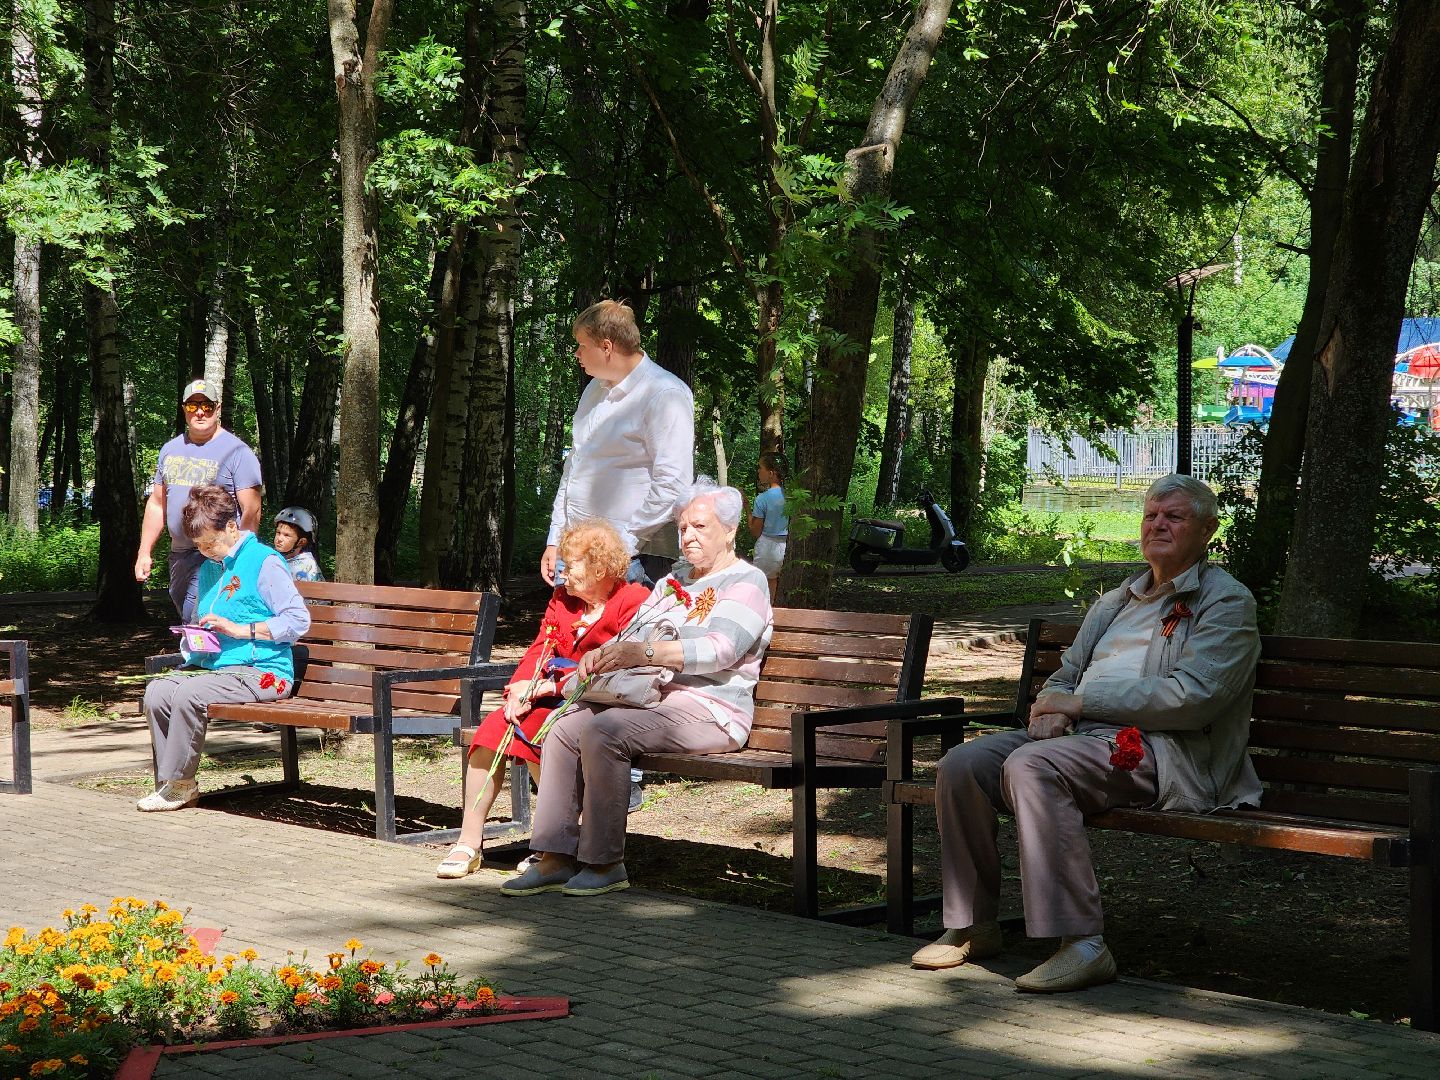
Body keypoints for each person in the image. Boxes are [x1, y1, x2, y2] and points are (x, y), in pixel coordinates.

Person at [912, 473, 1260, 992]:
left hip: (1163, 750)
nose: (1158, 524)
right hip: (1079, 737)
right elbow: (1066, 674)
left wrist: (1080, 703)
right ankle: (971, 924)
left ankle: (1082, 943)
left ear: (1207, 530)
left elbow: (1194, 698)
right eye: (1151, 515)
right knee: (963, 765)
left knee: (1031, 766)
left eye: (1174, 516)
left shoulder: (1225, 602)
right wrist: (1050, 711)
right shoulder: (1118, 600)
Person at [502, 478, 773, 898]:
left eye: (700, 527)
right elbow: (631, 634)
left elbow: (721, 649)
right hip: (654, 700)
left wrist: (644, 653)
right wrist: (597, 659)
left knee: (604, 731)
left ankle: (604, 862)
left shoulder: (746, 582)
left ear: (731, 530)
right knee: (565, 725)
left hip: (712, 709)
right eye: (683, 528)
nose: (688, 537)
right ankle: (554, 856)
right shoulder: (673, 582)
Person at [542, 299, 695, 809]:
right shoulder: (593, 391)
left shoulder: (666, 394)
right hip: (579, 553)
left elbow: (672, 484)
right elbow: (575, 469)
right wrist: (555, 537)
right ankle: (571, 774)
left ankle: (618, 784)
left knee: (618, 667)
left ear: (606, 345)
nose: (578, 357)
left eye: (582, 347)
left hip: (633, 556)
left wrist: (621, 546)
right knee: (573, 656)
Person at [436, 520, 649, 879]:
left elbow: (616, 666)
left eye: (572, 564)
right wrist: (518, 689)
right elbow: (540, 648)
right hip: (549, 692)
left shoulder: (633, 601)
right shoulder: (563, 600)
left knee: (538, 731)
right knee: (494, 729)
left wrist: (548, 688)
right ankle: (469, 842)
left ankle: (552, 844)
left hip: (598, 699)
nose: (563, 573)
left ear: (599, 567)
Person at [138, 484, 310, 812]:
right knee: (157, 692)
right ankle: (172, 783)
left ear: (232, 527)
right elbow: (211, 624)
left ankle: (178, 783)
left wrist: (239, 629)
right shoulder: (209, 569)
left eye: (209, 543)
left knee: (191, 695)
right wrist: (196, 639)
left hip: (264, 671)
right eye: (199, 546)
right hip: (218, 667)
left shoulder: (264, 561)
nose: (206, 552)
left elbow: (298, 622)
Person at [135, 379, 263, 621]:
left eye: (207, 405)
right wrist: (144, 552)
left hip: (217, 554)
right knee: (185, 610)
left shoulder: (238, 452)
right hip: (180, 554)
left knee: (198, 616)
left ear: (218, 408)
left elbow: (252, 510)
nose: (200, 411)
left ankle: (193, 658)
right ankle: (204, 657)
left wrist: (240, 557)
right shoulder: (170, 449)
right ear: (184, 409)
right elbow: (157, 503)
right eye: (193, 406)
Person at [749, 452, 789, 598]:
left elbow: (755, 531)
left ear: (771, 473)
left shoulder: (762, 499)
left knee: (763, 583)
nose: (758, 471)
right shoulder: (792, 497)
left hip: (768, 546)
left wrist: (747, 509)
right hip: (788, 545)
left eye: (761, 468)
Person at [273, 506, 325, 582]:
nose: (279, 539)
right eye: (278, 533)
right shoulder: (271, 558)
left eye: (286, 535)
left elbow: (319, 591)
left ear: (301, 542)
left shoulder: (308, 566)